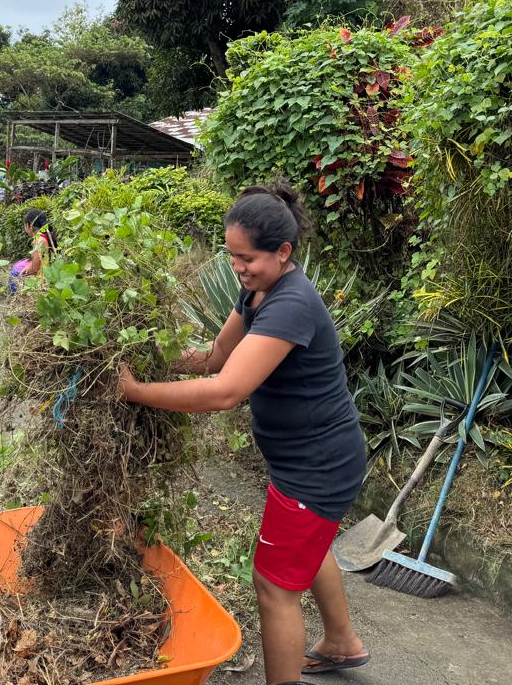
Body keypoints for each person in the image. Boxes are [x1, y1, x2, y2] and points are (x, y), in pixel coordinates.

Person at [118, 182, 369, 685]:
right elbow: (216, 357)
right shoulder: (258, 289)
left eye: (247, 258)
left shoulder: (291, 303)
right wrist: (151, 358)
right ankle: (341, 642)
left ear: (283, 252)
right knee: (311, 544)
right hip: (307, 460)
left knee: (274, 587)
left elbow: (224, 391)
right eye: (232, 256)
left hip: (316, 467)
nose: (238, 267)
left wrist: (136, 391)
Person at [7, 208, 57, 294]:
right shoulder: (47, 236)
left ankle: (18, 296)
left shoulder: (39, 240)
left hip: (41, 279)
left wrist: (21, 276)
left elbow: (34, 270)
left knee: (14, 274)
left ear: (29, 226)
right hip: (48, 274)